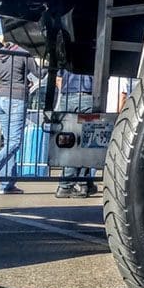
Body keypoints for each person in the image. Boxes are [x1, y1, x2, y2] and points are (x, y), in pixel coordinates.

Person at [0, 44, 38, 195]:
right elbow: (39, 73)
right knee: (15, 142)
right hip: (16, 98)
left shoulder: (1, 54)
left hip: (0, 97)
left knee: (9, 141)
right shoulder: (24, 53)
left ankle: (7, 184)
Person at [54, 70, 98, 199]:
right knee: (86, 143)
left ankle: (83, 183)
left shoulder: (71, 53)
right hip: (87, 97)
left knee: (68, 143)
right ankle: (69, 184)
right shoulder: (94, 53)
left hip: (67, 97)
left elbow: (58, 79)